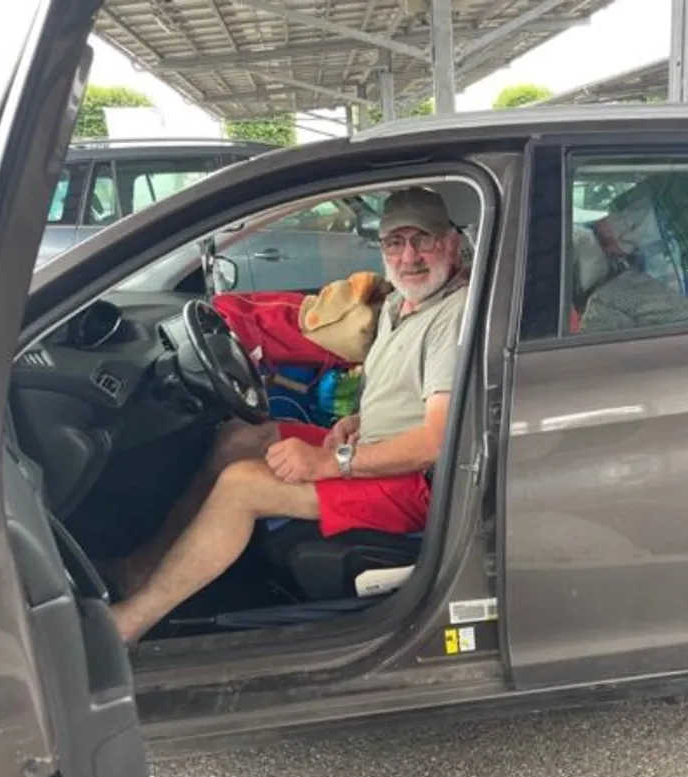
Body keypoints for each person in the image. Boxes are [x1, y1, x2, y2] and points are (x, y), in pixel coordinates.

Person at [108, 186, 470, 644]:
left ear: (451, 244)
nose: (409, 256)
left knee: (242, 486)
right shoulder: (401, 304)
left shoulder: (452, 315)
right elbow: (402, 395)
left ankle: (130, 621)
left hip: (413, 485)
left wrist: (328, 462)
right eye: (395, 243)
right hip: (370, 448)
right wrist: (355, 422)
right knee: (241, 437)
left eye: (424, 240)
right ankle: (145, 567)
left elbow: (435, 442)